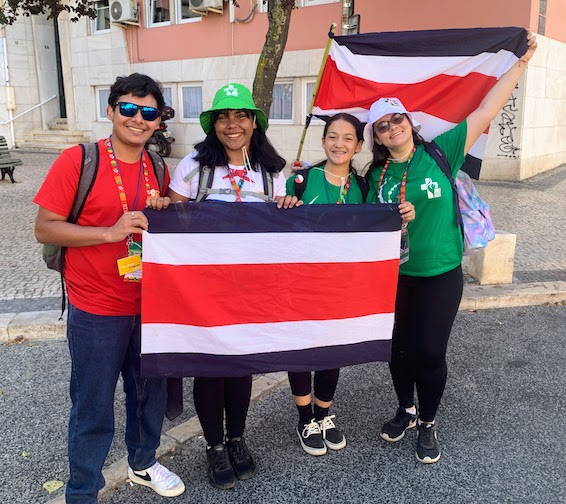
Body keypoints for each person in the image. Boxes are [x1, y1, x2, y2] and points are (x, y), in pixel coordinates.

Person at [365, 32, 537, 464]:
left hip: (440, 272)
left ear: (409, 122)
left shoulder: (443, 151)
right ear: (378, 137)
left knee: (428, 351)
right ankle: (405, 409)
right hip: (396, 277)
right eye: (382, 126)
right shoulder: (374, 177)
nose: (391, 128)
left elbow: (487, 108)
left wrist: (520, 64)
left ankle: (428, 420)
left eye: (396, 119)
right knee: (396, 349)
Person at [34, 73, 185, 502]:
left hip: (149, 303)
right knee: (93, 404)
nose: (138, 119)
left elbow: (173, 215)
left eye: (149, 112)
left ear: (158, 121)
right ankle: (82, 489)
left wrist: (168, 205)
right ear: (112, 110)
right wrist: (108, 232)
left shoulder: (158, 166)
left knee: (147, 393)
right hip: (96, 307)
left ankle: (143, 462)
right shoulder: (78, 160)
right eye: (129, 109)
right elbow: (45, 228)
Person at [147, 83, 287, 489]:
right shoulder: (193, 164)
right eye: (224, 117)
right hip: (203, 289)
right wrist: (161, 207)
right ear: (213, 124)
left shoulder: (272, 168)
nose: (232, 125)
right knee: (210, 368)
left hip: (251, 287)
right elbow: (173, 216)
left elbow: (284, 224)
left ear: (254, 122)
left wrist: (290, 206)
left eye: (241, 116)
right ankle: (213, 446)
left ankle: (237, 439)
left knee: (240, 367)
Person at [277, 113, 415, 456]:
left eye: (348, 138)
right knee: (300, 348)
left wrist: (401, 217)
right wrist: (283, 204)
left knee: (332, 348)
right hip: (302, 282)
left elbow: (377, 232)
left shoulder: (365, 187)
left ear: (358, 145)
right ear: (323, 141)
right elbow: (276, 227)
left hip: (342, 286)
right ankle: (305, 418)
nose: (339, 144)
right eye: (333, 137)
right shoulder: (300, 181)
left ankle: (324, 415)